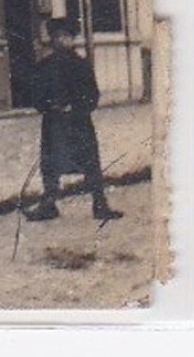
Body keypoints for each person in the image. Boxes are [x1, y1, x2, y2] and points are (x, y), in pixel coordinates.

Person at [25, 19, 123, 223]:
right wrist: (49, 106)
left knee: (90, 164)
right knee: (51, 164)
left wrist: (75, 107)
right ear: (52, 39)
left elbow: (92, 96)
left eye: (66, 36)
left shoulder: (81, 66)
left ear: (72, 39)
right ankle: (48, 204)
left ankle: (99, 204)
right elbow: (35, 96)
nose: (61, 40)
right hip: (54, 124)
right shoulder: (44, 66)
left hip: (78, 123)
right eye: (57, 36)